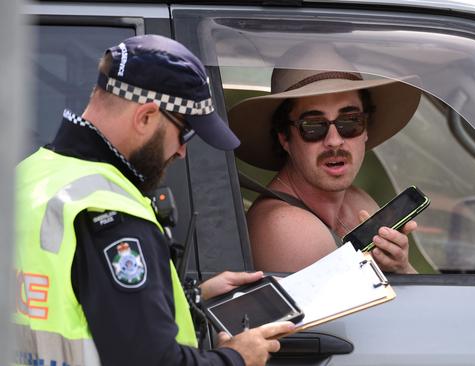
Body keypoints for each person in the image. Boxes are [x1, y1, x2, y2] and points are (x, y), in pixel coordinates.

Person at [14, 35, 293, 366]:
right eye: (185, 131)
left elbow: (76, 301)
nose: (182, 150)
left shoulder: (30, 176)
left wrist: (190, 297)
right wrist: (237, 358)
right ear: (145, 117)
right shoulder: (114, 215)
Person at [229, 44, 422, 273]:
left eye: (349, 122)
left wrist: (401, 267)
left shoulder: (357, 202)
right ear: (285, 138)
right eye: (313, 126)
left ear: (366, 129)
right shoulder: (287, 226)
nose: (334, 140)